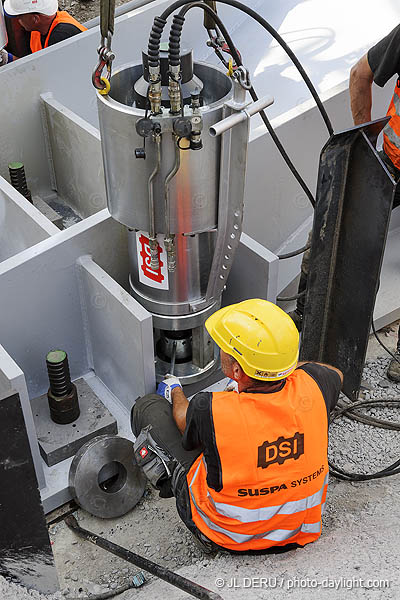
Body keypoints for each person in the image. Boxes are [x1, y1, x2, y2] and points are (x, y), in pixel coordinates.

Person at [132, 299, 343, 554]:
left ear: (236, 370)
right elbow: (335, 374)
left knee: (147, 408)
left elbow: (182, 418)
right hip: (299, 529)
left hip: (229, 537)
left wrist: (175, 389)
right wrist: (280, 369)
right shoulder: (315, 385)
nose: (220, 348)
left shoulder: (210, 408)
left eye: (224, 347)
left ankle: (179, 494)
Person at [290, 24, 400, 382]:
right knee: (330, 228)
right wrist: (364, 151)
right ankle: (304, 323)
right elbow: (360, 75)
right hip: (391, 161)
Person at [0, 0, 86, 65]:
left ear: (35, 19)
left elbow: (44, 75)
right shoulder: (39, 28)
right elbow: (34, 65)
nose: (18, 20)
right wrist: (7, 58)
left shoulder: (62, 36)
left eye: (20, 16)